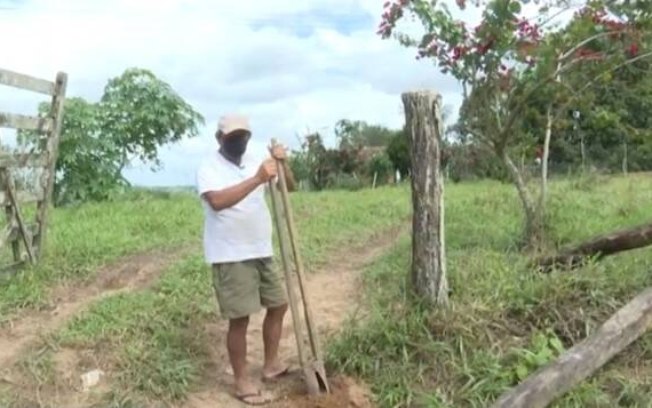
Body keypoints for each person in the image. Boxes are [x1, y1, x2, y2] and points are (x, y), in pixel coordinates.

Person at [196, 113, 296, 405]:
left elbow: (288, 187)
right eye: (233, 137)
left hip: (261, 249)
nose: (239, 141)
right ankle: (241, 380)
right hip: (230, 254)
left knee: (279, 304)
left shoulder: (256, 161)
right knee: (239, 319)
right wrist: (256, 180)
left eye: (244, 136)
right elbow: (217, 202)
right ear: (219, 138)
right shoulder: (209, 167)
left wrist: (281, 164)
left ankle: (271, 364)